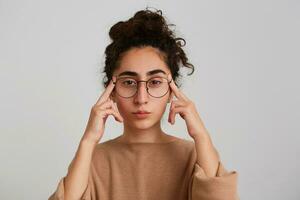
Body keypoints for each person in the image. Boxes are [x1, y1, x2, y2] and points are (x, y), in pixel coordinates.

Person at [48, 7, 239, 200]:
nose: (141, 98)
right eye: (129, 82)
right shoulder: (92, 158)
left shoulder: (193, 155)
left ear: (172, 90)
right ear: (112, 91)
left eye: (155, 82)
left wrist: (201, 135)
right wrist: (88, 140)